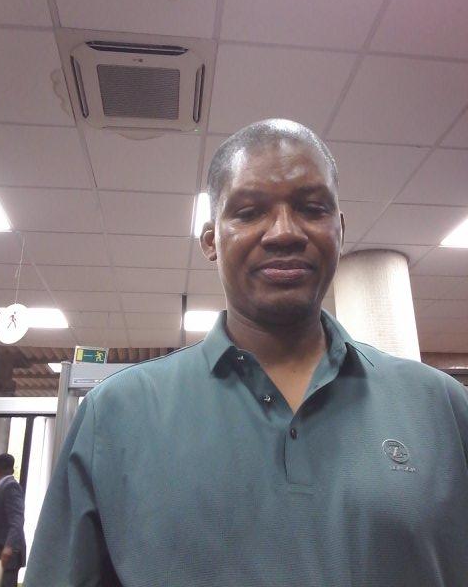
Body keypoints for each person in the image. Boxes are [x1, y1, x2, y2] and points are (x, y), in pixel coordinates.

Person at [25, 119, 468, 586]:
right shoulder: (116, 415)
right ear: (211, 240)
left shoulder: (441, 407)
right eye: (250, 211)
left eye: (312, 208)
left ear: (339, 229)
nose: (283, 232)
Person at [0, 454, 26, 587]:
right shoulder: (0, 489)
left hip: (5, 557)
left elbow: (17, 519)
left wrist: (9, 546)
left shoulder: (10, 487)